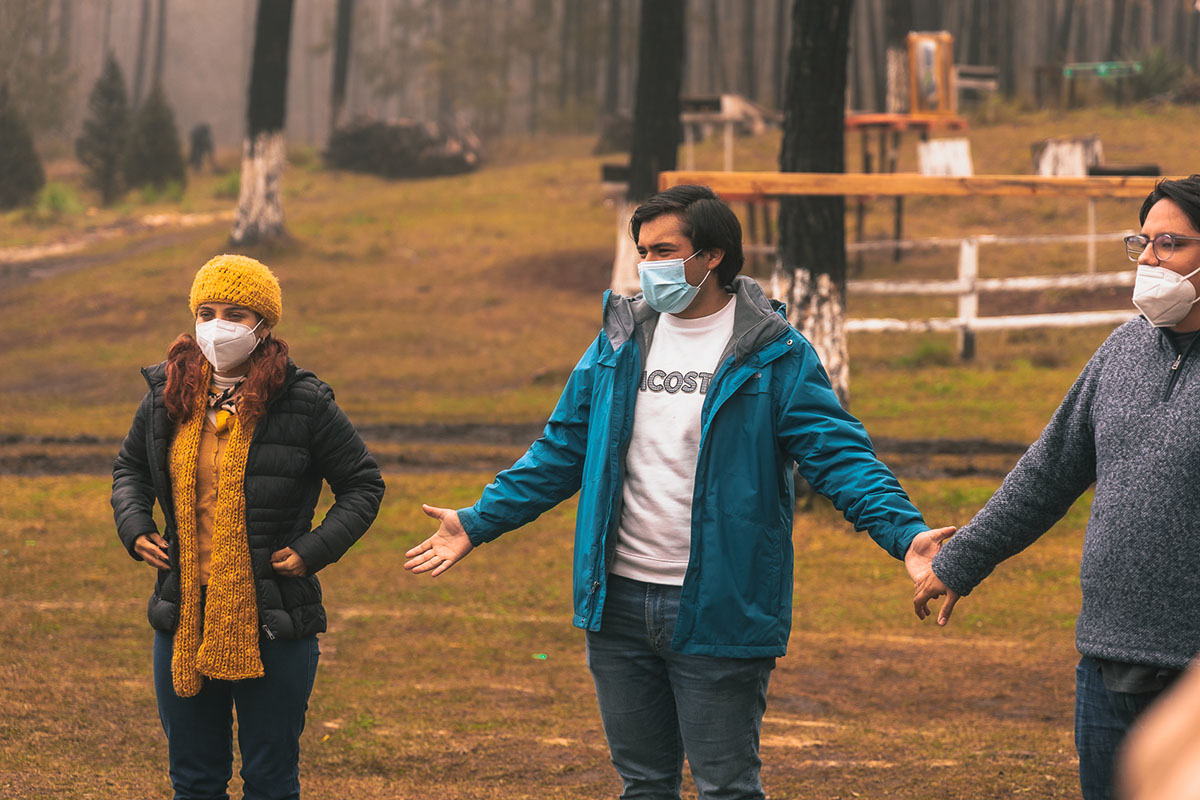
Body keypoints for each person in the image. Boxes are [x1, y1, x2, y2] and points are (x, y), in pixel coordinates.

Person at [405, 184, 954, 800]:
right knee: (643, 786)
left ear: (712, 255)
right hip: (615, 606)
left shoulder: (774, 352)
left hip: (721, 605)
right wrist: (478, 521)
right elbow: (563, 449)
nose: (648, 267)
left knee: (727, 788)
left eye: (664, 251)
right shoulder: (618, 340)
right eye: (641, 252)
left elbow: (839, 456)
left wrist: (904, 534)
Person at [912, 175, 1200, 800]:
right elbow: (1048, 472)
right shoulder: (1122, 351)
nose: (1149, 260)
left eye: (1170, 244)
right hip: (1106, 660)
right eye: (1142, 242)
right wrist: (963, 559)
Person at [111, 254, 385, 800]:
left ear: (264, 325)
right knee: (194, 780)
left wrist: (313, 550)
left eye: (235, 313)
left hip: (275, 619)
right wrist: (135, 522)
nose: (218, 326)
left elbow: (362, 485)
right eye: (207, 311)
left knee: (270, 780)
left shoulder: (304, 402)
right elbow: (131, 469)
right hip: (183, 609)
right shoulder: (167, 396)